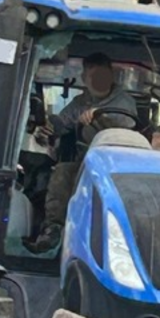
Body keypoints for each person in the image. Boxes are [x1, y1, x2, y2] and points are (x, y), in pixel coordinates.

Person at [25, 52, 139, 253]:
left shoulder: (124, 101)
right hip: (86, 164)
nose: (95, 81)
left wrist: (99, 116)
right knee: (61, 173)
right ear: (84, 79)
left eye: (101, 76)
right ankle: (53, 230)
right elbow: (63, 122)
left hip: (121, 166)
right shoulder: (80, 102)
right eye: (90, 76)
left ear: (110, 76)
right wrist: (51, 128)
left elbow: (126, 124)